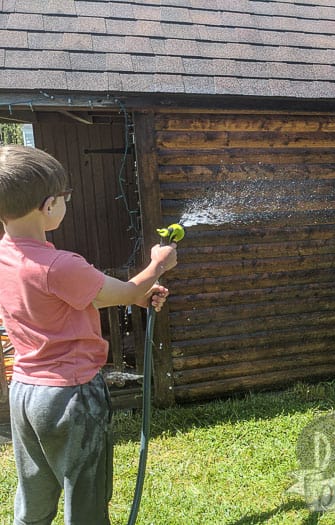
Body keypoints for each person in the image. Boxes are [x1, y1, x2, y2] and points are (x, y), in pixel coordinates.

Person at [0, 145, 178, 525]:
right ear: (48, 206)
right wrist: (158, 265)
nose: (66, 204)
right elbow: (127, 292)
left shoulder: (6, 256)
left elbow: (64, 304)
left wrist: (139, 296)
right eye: (65, 198)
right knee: (86, 497)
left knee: (34, 493)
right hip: (71, 396)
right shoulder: (60, 265)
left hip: (25, 392)